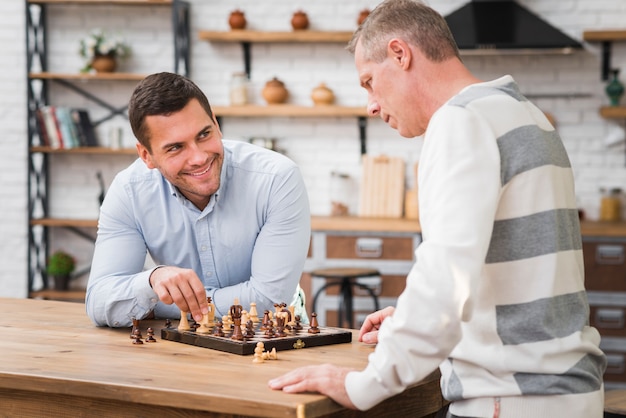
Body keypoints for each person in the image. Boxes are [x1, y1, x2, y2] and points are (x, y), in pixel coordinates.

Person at [268, 1, 607, 416]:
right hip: (564, 397)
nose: (371, 105)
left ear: (400, 53)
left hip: (511, 400)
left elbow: (444, 281)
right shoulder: (525, 113)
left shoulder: (460, 122)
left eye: (370, 82)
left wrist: (363, 385)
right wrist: (412, 318)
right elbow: (516, 279)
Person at [86, 72, 311, 328]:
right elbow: (100, 303)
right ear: (146, 155)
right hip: (181, 349)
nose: (199, 158)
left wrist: (155, 304)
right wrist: (153, 280)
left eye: (204, 135)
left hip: (274, 341)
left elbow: (268, 300)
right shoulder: (129, 191)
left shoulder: (276, 178)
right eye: (175, 148)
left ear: (216, 124)